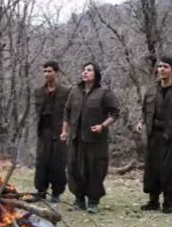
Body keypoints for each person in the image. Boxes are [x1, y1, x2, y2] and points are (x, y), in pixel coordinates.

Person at [136, 57, 172, 213]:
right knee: (152, 168)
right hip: (153, 134)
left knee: (170, 170)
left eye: (165, 66)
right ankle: (153, 201)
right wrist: (141, 122)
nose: (161, 69)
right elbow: (144, 110)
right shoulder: (150, 90)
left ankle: (168, 204)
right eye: (159, 66)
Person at [60, 62, 119, 214]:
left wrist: (102, 126)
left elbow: (114, 113)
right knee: (73, 168)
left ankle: (93, 201)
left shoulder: (104, 93)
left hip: (95, 140)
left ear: (96, 74)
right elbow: (67, 111)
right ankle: (79, 200)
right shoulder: (75, 91)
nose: (85, 72)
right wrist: (64, 131)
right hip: (75, 138)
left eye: (89, 70)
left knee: (94, 169)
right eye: (84, 70)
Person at [33, 61, 70, 203]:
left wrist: (66, 130)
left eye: (49, 71)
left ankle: (56, 192)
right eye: (45, 71)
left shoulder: (66, 92)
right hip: (43, 131)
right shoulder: (39, 92)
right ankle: (41, 191)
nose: (47, 74)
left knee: (58, 163)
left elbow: (69, 113)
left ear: (56, 72)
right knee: (41, 162)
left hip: (59, 132)